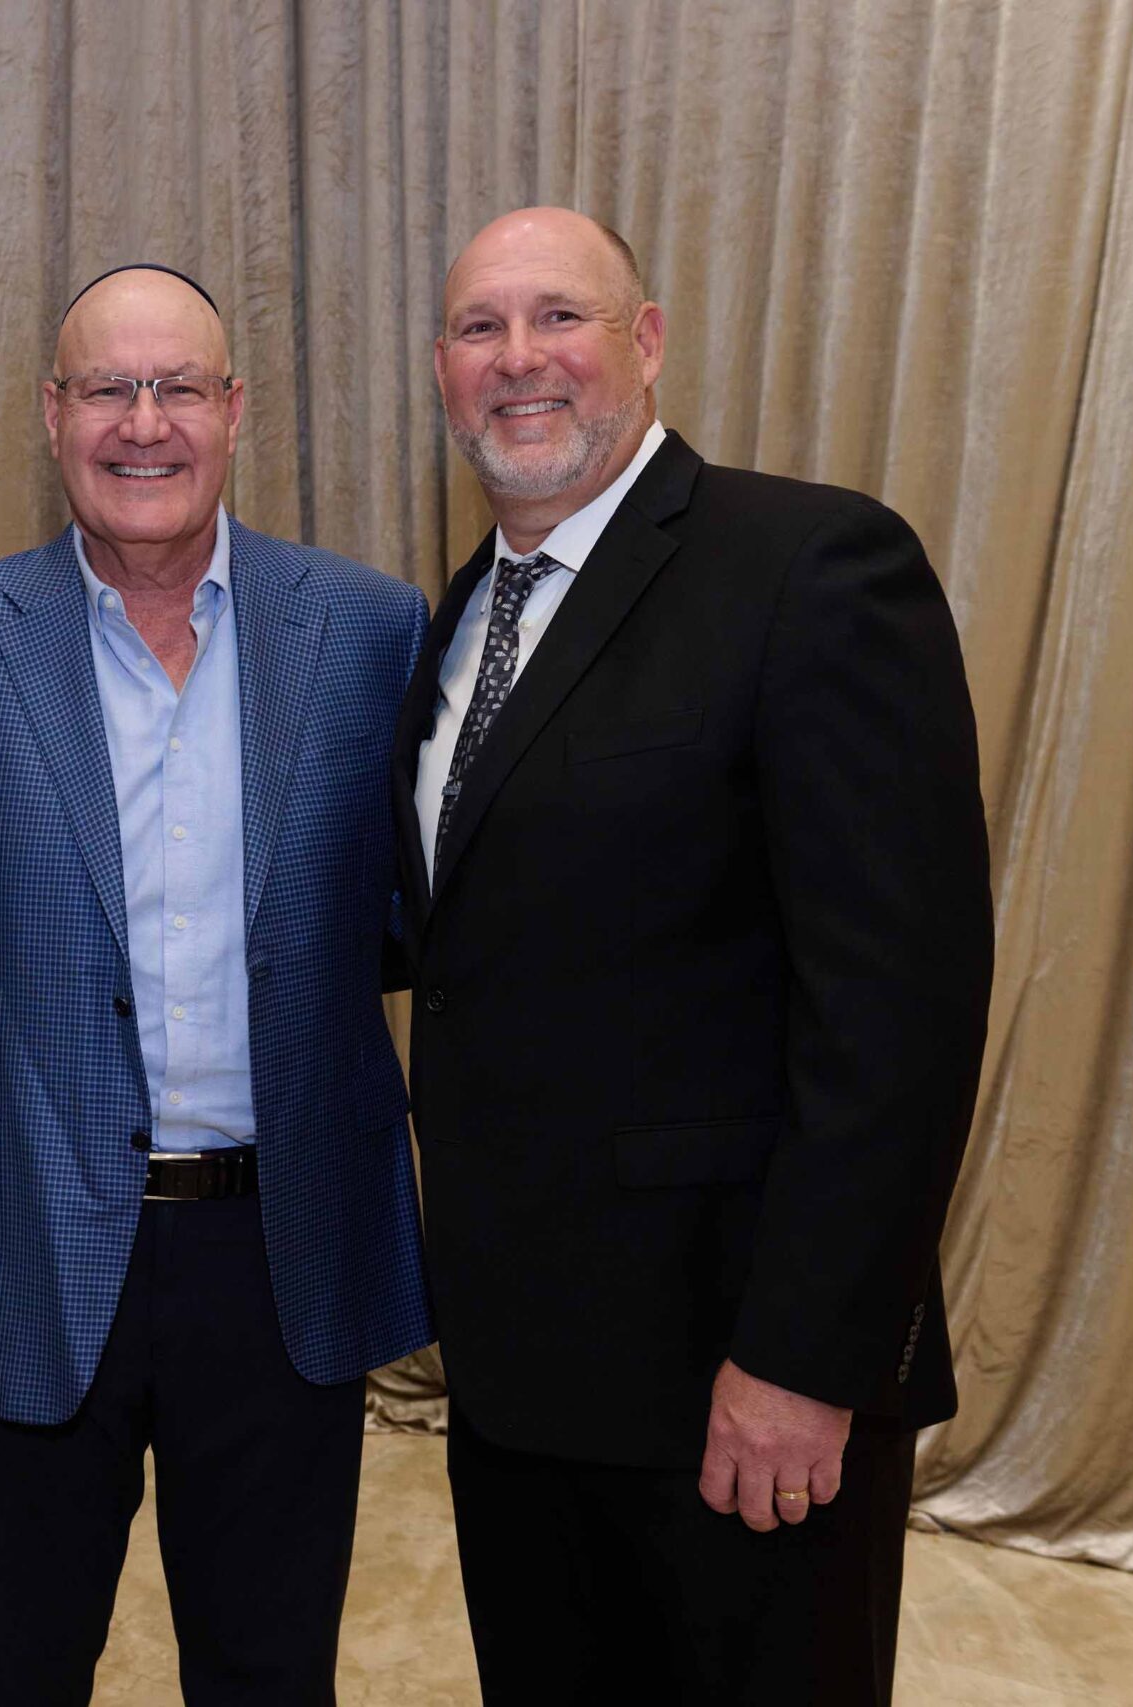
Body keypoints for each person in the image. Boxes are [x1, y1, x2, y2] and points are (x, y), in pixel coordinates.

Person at [397, 206, 994, 1704]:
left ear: (648, 342)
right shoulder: (464, 614)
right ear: (441, 368)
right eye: (479, 327)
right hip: (522, 1378)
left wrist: (806, 1360)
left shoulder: (811, 566)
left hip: (737, 1390)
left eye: (561, 316)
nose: (518, 358)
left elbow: (898, 1015)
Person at [0, 263, 434, 1704]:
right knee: (19, 1667)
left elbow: (397, 918)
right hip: (28, 1235)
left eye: (178, 387)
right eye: (107, 389)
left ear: (235, 410)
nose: (144, 423)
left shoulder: (371, 633)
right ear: (50, 414)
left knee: (270, 1673)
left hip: (282, 1249)